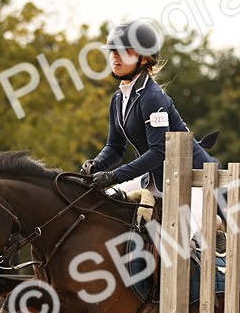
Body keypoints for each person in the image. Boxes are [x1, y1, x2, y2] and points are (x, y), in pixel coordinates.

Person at [80, 19, 218, 237]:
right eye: (112, 50)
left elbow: (159, 151)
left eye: (124, 51)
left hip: (191, 180)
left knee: (182, 243)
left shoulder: (152, 97)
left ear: (145, 58)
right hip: (156, 178)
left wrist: (114, 176)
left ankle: (215, 236)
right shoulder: (118, 99)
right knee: (100, 203)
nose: (115, 55)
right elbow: (115, 147)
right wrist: (97, 165)